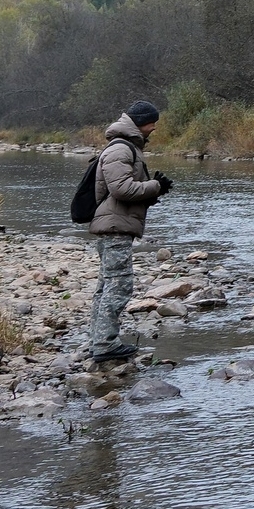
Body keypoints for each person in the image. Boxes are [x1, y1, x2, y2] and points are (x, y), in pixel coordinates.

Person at [85, 99, 173, 364]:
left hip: (113, 226)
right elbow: (121, 190)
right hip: (114, 228)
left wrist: (156, 189)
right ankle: (105, 344)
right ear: (141, 122)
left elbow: (124, 191)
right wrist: (154, 186)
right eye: (152, 123)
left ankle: (98, 341)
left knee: (106, 285)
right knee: (118, 286)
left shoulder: (125, 147)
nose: (154, 128)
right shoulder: (120, 149)